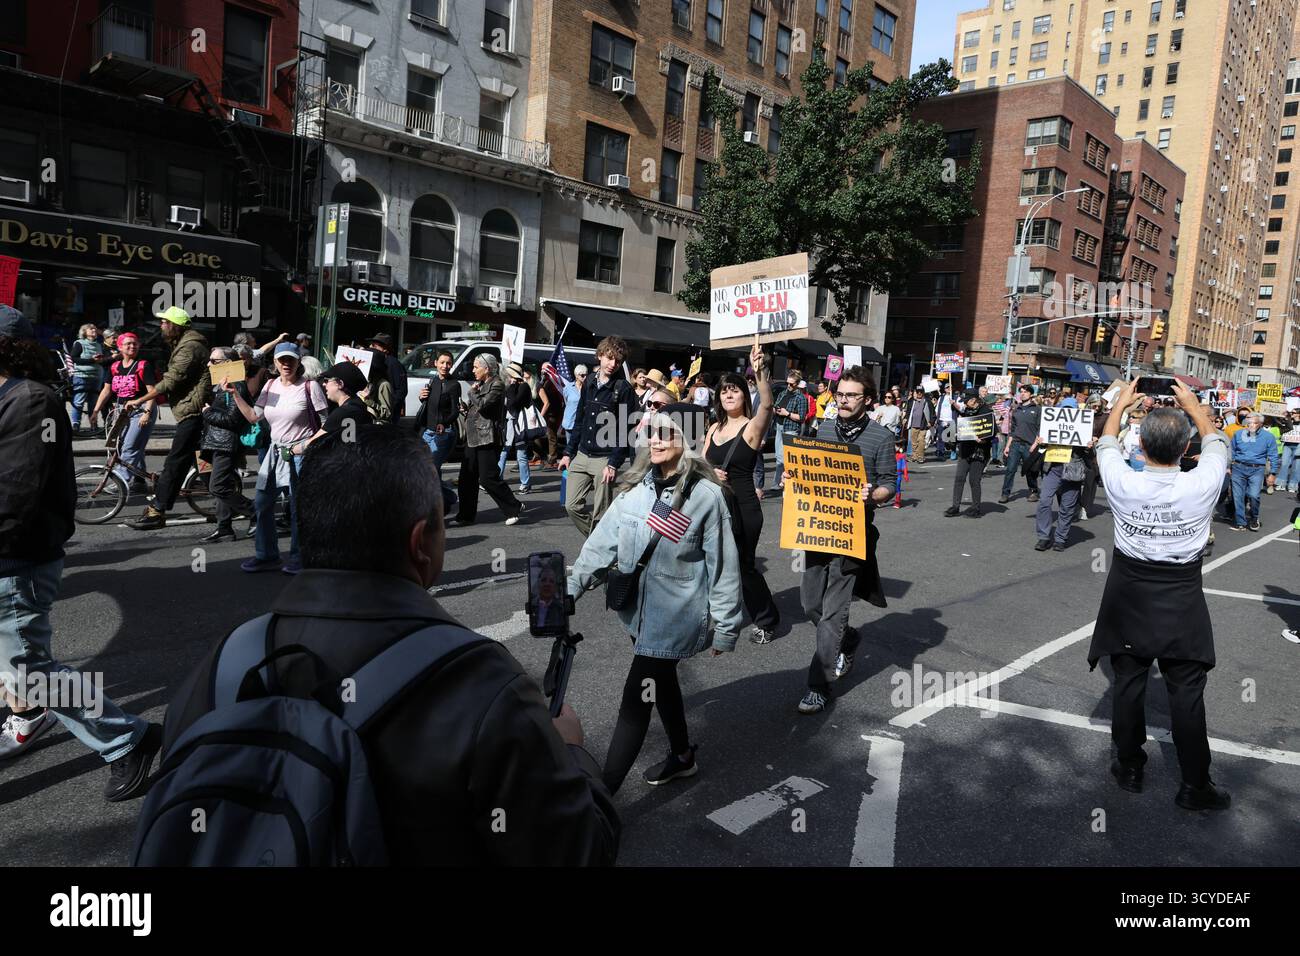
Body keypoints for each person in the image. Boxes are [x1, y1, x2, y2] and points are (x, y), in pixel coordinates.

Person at [159, 425, 620, 863]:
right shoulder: (481, 682)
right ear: (421, 542)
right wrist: (572, 751)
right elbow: (579, 851)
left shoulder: (227, 662)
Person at [0, 305, 163, 798]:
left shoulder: (30, 400)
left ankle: (126, 738)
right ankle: (27, 715)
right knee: (22, 670)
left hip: (15, 561)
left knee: (33, 673)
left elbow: (14, 494)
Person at [568, 403, 742, 792]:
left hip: (677, 616)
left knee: (636, 697)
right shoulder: (637, 486)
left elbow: (724, 565)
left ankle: (600, 796)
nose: (656, 440)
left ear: (689, 439)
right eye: (653, 431)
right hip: (637, 613)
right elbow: (601, 544)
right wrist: (570, 589)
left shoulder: (707, 496)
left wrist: (727, 627)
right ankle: (682, 756)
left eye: (668, 432)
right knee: (661, 684)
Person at [1089, 379, 1230, 811]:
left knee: (1128, 683)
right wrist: (1193, 405)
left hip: (1129, 593)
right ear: (1185, 447)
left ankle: (1130, 766)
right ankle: (1194, 785)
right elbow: (1216, 443)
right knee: (1186, 693)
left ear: (1143, 443)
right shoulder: (1203, 480)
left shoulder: (1121, 480)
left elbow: (1106, 442)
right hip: (1181, 596)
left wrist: (1120, 404)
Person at [788, 367, 896, 715]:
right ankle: (848, 640)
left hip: (853, 535)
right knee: (809, 606)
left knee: (832, 615)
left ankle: (817, 687)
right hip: (818, 529)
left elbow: (889, 485)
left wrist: (872, 495)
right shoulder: (825, 427)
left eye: (851, 395)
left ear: (867, 399)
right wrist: (795, 472)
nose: (844, 400)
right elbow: (812, 470)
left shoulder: (881, 437)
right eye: (841, 394)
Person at [223, 343, 329, 574]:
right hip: (275, 452)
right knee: (262, 504)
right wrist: (235, 395)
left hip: (301, 454)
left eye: (291, 359)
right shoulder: (270, 385)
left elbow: (326, 423)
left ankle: (299, 557)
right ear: (275, 363)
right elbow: (254, 416)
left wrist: (308, 447)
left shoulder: (310, 387)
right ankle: (267, 555)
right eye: (282, 360)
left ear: (299, 362)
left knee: (297, 508)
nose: (286, 364)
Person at [703, 342, 781, 644]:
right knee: (710, 563)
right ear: (719, 398)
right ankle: (712, 617)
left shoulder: (751, 427)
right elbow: (700, 463)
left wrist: (759, 370)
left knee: (743, 567)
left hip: (744, 507)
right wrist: (711, 474)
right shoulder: (712, 428)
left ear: (742, 394)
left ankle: (766, 619)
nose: (729, 394)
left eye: (734, 389)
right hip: (715, 507)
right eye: (724, 391)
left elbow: (767, 405)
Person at [123, 307, 211, 530]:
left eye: (164, 322)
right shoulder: (182, 343)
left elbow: (171, 381)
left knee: (175, 462)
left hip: (193, 411)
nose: (161, 326)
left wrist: (140, 399)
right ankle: (226, 497)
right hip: (190, 410)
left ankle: (157, 510)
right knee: (200, 461)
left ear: (176, 325)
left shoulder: (190, 347)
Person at [557, 337, 636, 535]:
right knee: (571, 506)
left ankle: (599, 553)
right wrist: (568, 452)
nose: (613, 364)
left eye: (617, 361)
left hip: (605, 459)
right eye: (609, 358)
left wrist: (613, 463)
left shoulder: (623, 388)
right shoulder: (589, 381)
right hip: (582, 455)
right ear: (600, 356)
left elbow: (625, 429)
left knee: (602, 514)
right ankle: (600, 542)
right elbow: (580, 420)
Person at [451, 353, 524, 527]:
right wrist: (465, 407)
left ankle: (513, 507)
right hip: (473, 437)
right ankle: (466, 515)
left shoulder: (497, 384)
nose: (473, 370)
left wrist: (472, 392)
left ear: (487, 368)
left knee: (487, 478)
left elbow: (484, 405)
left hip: (487, 437)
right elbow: (477, 408)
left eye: (476, 367)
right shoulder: (483, 384)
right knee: (466, 478)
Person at [197, 348, 257, 544]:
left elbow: (233, 420)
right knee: (220, 485)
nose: (209, 364)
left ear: (228, 363)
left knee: (218, 486)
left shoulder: (236, 385)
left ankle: (255, 511)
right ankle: (224, 528)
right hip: (215, 442)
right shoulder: (222, 384)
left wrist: (207, 412)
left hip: (225, 444)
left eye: (214, 361)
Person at [90, 331, 156, 491]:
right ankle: (140, 481)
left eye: (135, 343)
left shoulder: (143, 365)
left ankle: (120, 482)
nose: (132, 346)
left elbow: (152, 391)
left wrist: (147, 413)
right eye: (128, 344)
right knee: (124, 446)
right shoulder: (114, 367)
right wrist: (96, 411)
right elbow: (106, 390)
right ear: (120, 347)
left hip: (141, 410)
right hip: (121, 411)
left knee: (130, 447)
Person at [1029, 396, 1085, 552]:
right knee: (1044, 502)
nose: (1067, 413)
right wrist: (1041, 443)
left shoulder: (1083, 426)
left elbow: (1089, 453)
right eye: (1064, 410)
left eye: (1070, 410)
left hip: (1072, 470)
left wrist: (1088, 446)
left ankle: (1060, 539)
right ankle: (1043, 537)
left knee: (1067, 507)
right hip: (1052, 468)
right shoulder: (1051, 424)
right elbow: (1041, 449)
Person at [417, 349, 460, 513]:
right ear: (435, 363)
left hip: (443, 434)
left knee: (430, 470)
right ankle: (448, 499)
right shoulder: (433, 381)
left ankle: (440, 504)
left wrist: (444, 423)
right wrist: (422, 397)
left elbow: (455, 411)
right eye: (442, 362)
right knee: (433, 470)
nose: (445, 366)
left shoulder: (453, 384)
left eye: (448, 363)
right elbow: (429, 406)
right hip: (427, 432)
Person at [1229, 413, 1280, 531]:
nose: (1251, 425)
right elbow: (1231, 451)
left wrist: (1272, 473)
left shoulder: (1268, 437)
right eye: (1249, 422)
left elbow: (1273, 456)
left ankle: (1254, 518)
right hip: (1238, 468)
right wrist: (1229, 466)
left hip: (1257, 469)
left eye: (1255, 423)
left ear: (1261, 424)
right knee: (1237, 496)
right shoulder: (1238, 434)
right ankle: (1240, 522)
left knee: (1254, 495)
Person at [945, 391, 992, 517]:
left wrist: (983, 439)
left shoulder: (986, 411)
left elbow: (991, 431)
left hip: (980, 451)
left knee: (974, 480)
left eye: (967, 400)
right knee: (959, 478)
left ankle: (975, 508)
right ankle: (955, 507)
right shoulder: (967, 411)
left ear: (974, 400)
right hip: (965, 449)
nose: (965, 403)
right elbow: (964, 428)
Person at [999, 383, 1042, 503]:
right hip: (1016, 444)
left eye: (1025, 392)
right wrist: (1007, 446)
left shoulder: (1037, 409)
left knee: (1030, 470)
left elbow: (1040, 428)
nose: (1022, 394)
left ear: (1031, 394)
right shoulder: (1016, 409)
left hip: (1030, 445)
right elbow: (1013, 430)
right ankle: (1005, 493)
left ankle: (1033, 491)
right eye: (1021, 392)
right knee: (1010, 470)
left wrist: (1035, 444)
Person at [498, 361, 534, 495]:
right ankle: (497, 479)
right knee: (503, 451)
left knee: (521, 455)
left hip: (520, 425)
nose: (506, 377)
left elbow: (513, 404)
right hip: (508, 424)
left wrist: (513, 385)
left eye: (509, 375)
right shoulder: (508, 387)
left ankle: (525, 484)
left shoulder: (523, 387)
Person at [68, 322, 110, 433]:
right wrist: (91, 360)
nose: (94, 331)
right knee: (79, 401)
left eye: (95, 329)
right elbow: (74, 358)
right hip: (82, 376)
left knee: (94, 402)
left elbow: (101, 360)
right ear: (84, 332)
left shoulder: (98, 345)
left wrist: (101, 359)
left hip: (96, 376)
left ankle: (93, 425)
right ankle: (76, 424)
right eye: (91, 329)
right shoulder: (79, 343)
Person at [771, 368, 808, 486]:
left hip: (791, 429)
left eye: (791, 384)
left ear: (797, 384)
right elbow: (776, 405)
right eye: (787, 383)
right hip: (779, 426)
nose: (788, 386)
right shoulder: (783, 393)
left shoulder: (801, 398)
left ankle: (784, 482)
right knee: (778, 457)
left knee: (787, 458)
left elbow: (802, 417)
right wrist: (775, 410)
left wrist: (787, 413)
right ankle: (778, 482)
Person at [368, 333, 407, 424]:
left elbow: (401, 391)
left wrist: (391, 409)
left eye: (374, 345)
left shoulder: (394, 364)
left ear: (385, 349)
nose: (370, 347)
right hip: (376, 411)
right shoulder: (374, 361)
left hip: (387, 415)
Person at [902, 386, 934, 464]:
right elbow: (908, 412)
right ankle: (914, 456)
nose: (919, 393)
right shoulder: (911, 401)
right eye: (918, 391)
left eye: (921, 392)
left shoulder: (927, 402)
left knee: (921, 441)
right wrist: (905, 418)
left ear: (923, 392)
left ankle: (920, 457)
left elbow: (933, 413)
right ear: (916, 392)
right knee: (913, 442)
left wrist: (931, 422)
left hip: (923, 425)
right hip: (913, 424)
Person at [1279, 409, 1300, 494]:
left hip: (1298, 446)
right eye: (1291, 412)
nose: (1291, 414)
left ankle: (1293, 485)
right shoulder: (1288, 421)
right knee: (1284, 464)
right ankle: (1281, 484)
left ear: (1298, 414)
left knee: (1296, 467)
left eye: (1293, 413)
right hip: (1287, 445)